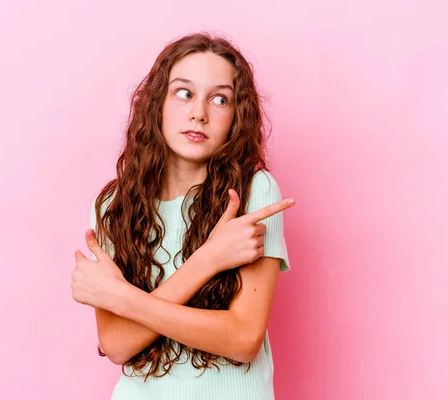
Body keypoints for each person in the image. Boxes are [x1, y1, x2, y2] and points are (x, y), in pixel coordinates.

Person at [71, 32, 295, 400]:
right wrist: (209, 259)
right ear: (157, 103)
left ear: (238, 115)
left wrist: (122, 298)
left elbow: (243, 339)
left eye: (219, 99)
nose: (199, 113)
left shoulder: (253, 191)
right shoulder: (114, 205)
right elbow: (117, 345)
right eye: (184, 93)